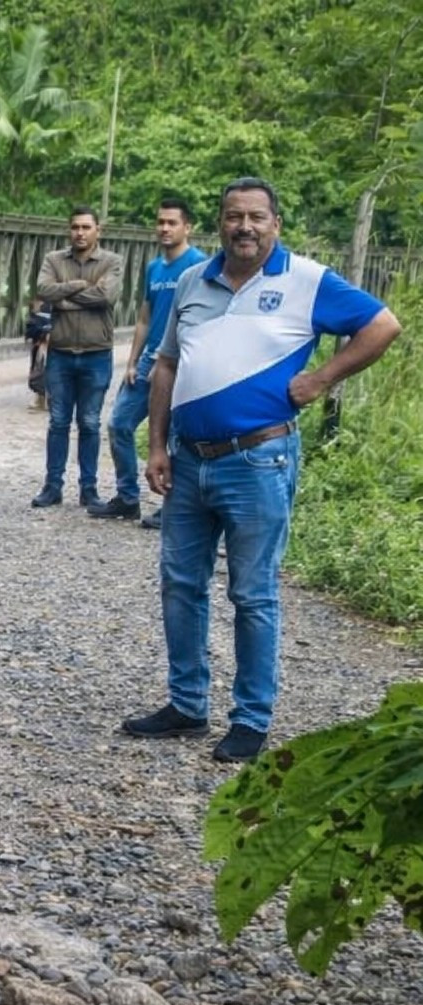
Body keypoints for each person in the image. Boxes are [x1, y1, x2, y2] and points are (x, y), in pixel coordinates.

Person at [122, 177, 401, 763]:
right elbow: (168, 364)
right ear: (219, 223)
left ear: (275, 223)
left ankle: (250, 718)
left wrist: (323, 379)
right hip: (191, 459)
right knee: (180, 585)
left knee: (252, 595)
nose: (244, 227)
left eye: (255, 217)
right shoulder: (196, 280)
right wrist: (157, 445)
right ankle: (186, 702)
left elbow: (382, 326)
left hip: (258, 459)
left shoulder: (305, 280)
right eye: (233, 216)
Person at [90, 199, 206, 526]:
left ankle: (172, 507)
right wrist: (132, 361)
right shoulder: (154, 267)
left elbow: (201, 318)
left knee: (176, 439)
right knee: (119, 425)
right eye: (160, 222)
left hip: (179, 364)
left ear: (188, 228)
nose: (164, 228)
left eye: (172, 223)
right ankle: (128, 497)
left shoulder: (198, 266)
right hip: (147, 363)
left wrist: (174, 358)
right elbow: (145, 316)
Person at [31, 206, 123, 509]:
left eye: (86, 227)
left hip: (97, 353)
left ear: (99, 230)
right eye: (75, 227)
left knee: (90, 422)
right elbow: (43, 289)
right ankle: (52, 486)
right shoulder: (53, 260)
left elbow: (106, 297)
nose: (80, 233)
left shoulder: (113, 262)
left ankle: (89, 488)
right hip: (61, 352)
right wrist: (77, 286)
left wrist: (63, 298)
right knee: (58, 422)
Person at [23, 297, 51, 412]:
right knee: (41, 369)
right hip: (43, 344)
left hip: (43, 343)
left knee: (40, 369)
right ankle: (42, 397)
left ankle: (42, 398)